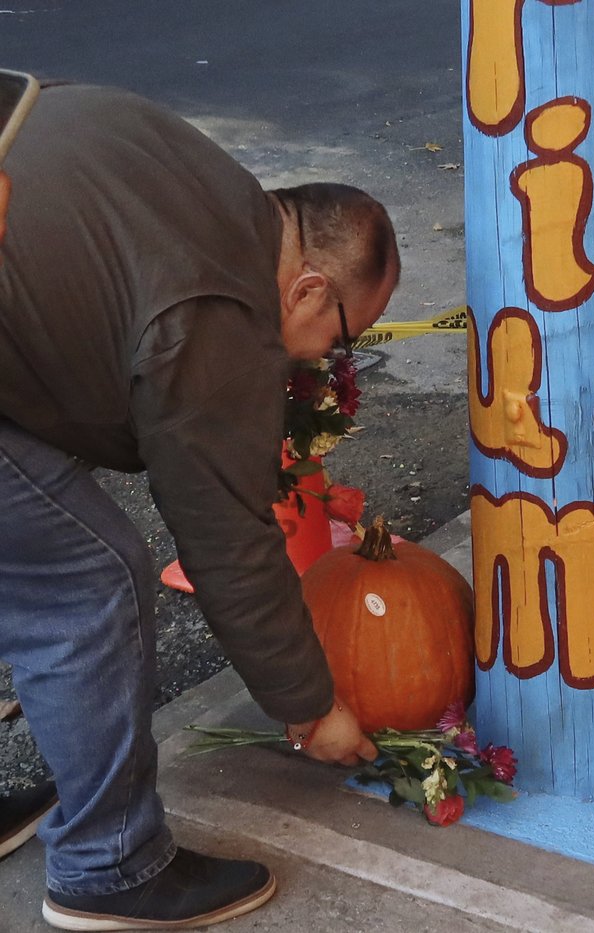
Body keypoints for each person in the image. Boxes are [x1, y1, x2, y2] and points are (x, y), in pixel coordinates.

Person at [0, 84, 389, 929]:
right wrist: (310, 706)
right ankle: (108, 866)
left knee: (23, 549)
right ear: (308, 289)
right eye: (342, 339)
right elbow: (227, 545)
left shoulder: (204, 183)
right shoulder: (216, 312)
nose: (323, 364)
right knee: (88, 579)